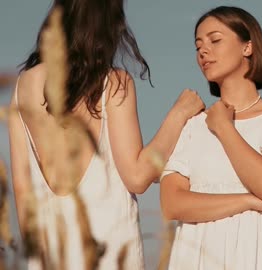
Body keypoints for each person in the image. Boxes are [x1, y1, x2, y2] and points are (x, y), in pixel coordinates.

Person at [8, 0, 204, 269]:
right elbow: (136, 176)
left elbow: (22, 188)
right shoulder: (114, 83)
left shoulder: (23, 85)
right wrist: (179, 114)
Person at [160, 6, 262, 270]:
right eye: (198, 45)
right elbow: (172, 203)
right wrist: (247, 201)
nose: (203, 51)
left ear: (247, 47)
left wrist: (224, 128)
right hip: (203, 255)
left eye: (215, 40)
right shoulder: (192, 125)